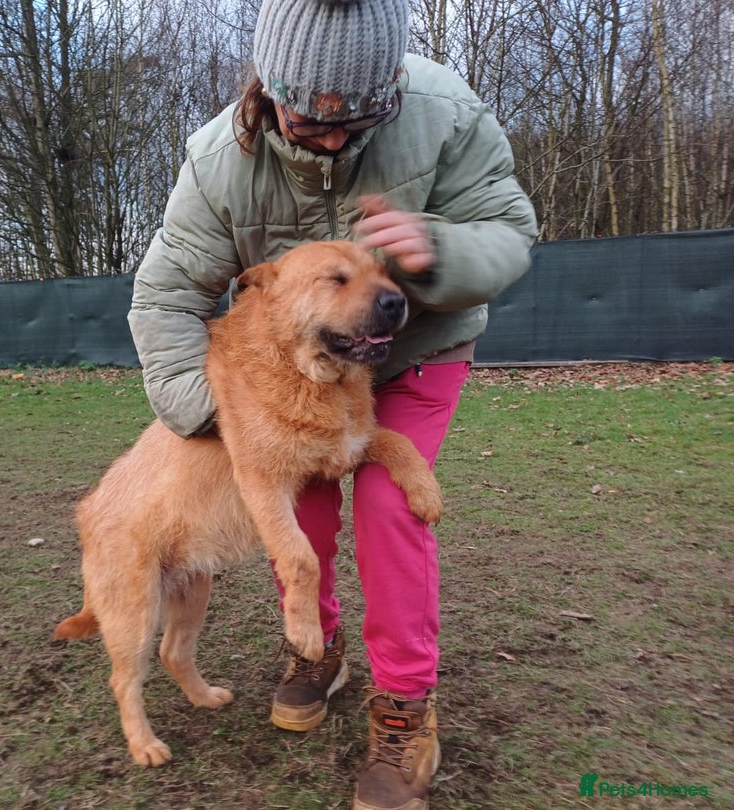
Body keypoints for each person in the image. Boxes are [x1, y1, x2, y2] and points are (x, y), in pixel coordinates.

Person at [127, 0, 538, 807]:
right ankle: (318, 650)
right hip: (296, 370)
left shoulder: (446, 112)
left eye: (356, 123)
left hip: (414, 350)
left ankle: (405, 708)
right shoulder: (217, 161)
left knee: (390, 507)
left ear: (390, 92)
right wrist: (211, 415)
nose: (331, 141)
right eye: (310, 121)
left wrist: (440, 248)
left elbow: (508, 229)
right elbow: (166, 295)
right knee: (299, 514)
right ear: (268, 91)